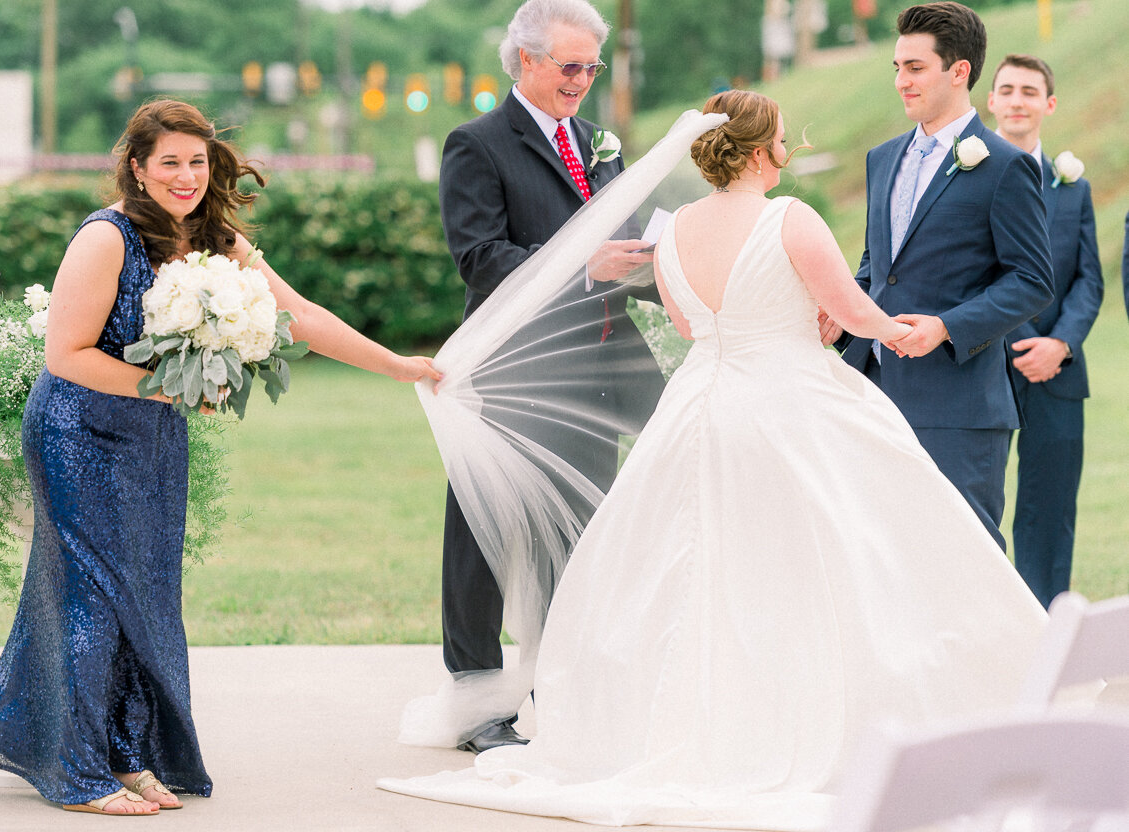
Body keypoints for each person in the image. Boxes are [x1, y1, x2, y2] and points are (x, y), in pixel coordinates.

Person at [379, 89, 1046, 829]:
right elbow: (851, 314)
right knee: (825, 553)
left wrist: (784, 315)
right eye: (785, 137)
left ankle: (689, 719)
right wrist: (900, 328)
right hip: (789, 400)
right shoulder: (791, 217)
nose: (788, 148)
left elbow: (694, 324)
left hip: (703, 403)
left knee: (694, 562)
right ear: (763, 151)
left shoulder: (679, 230)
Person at [0, 99, 438, 816]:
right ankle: (78, 769)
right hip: (77, 433)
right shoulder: (106, 238)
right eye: (169, 163)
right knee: (93, 596)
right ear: (136, 167)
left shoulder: (215, 241)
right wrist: (171, 388)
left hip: (152, 440)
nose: (186, 176)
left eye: (197, 161)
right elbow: (65, 356)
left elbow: (297, 315)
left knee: (145, 600)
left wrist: (398, 366)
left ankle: (129, 753)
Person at [434, 0, 663, 753]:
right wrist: (579, 267)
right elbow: (481, 257)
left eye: (592, 67)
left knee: (580, 536)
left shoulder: (599, 143)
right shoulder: (477, 144)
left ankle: (561, 691)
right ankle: (478, 710)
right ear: (525, 60)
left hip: (594, 370)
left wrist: (659, 259)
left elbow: (624, 231)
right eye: (570, 66)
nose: (582, 81)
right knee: (484, 542)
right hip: (510, 372)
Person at [829, 1, 1054, 549]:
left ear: (960, 71)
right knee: (879, 559)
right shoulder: (882, 158)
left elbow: (1031, 279)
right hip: (872, 394)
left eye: (916, 67)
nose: (902, 81)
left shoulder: (1004, 165)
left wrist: (947, 327)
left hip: (959, 408)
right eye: (898, 68)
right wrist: (840, 311)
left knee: (962, 561)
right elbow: (878, 266)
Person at [986, 53, 1103, 609]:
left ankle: (1047, 634)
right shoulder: (966, 176)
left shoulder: (1072, 186)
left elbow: (1089, 280)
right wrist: (1017, 339)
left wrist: (1059, 344)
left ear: (1048, 104)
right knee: (976, 505)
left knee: (1050, 509)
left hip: (1056, 371)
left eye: (1029, 92)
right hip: (985, 365)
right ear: (990, 101)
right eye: (1006, 89)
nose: (1016, 100)